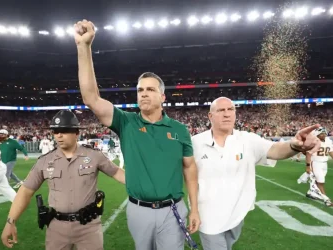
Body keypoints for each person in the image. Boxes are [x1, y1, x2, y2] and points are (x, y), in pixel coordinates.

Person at [74, 19, 200, 250]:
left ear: (163, 97)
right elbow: (91, 98)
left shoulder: (180, 130)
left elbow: (190, 168)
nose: (143, 94)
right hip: (138, 209)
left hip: (173, 210)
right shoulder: (126, 122)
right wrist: (84, 47)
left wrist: (195, 208)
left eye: (150, 89)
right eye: (140, 90)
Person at [191, 97, 321, 250]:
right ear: (210, 116)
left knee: (228, 245)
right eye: (220, 110)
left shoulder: (247, 139)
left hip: (237, 213)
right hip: (208, 213)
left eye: (230, 109)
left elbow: (275, 150)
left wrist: (294, 145)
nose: (227, 114)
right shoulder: (195, 142)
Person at [1, 110, 126, 250]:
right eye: (55, 131)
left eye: (64, 130)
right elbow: (25, 191)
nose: (59, 135)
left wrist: (148, 182)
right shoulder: (44, 161)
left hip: (89, 227)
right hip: (56, 228)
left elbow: (118, 174)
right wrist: (10, 222)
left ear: (76, 133)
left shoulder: (94, 156)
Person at [301, 127, 333, 206]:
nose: (324, 135)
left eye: (324, 133)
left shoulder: (328, 141)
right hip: (315, 163)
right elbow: (307, 153)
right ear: (317, 134)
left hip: (324, 163)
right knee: (320, 182)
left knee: (318, 180)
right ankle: (326, 199)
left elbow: (331, 152)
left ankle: (310, 192)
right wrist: (308, 166)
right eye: (321, 133)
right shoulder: (314, 142)